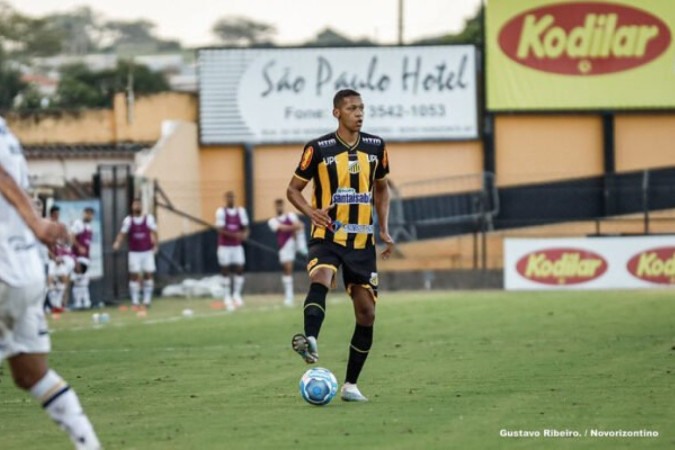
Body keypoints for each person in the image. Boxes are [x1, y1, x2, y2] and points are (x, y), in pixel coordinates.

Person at [286, 89, 395, 402]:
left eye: (361, 108)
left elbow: (382, 188)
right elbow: (293, 190)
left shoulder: (376, 146)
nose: (359, 113)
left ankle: (350, 385)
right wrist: (311, 212)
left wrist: (384, 228)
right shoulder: (318, 149)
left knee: (367, 313)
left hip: (361, 242)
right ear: (337, 113)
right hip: (328, 235)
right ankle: (310, 339)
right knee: (321, 277)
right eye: (351, 108)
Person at [0, 115, 101, 449]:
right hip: (24, 269)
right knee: (31, 373)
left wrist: (36, 224)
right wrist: (34, 225)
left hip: (4, 269)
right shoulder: (5, 130)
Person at [112, 199, 158, 308]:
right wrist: (117, 243)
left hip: (147, 251)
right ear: (132, 207)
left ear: (142, 207)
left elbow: (155, 233)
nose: (137, 206)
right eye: (135, 204)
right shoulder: (128, 220)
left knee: (148, 274)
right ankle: (135, 301)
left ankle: (147, 301)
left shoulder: (148, 219)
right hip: (134, 253)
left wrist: (156, 245)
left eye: (139, 205)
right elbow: (122, 234)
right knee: (134, 275)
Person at [267, 198, 308, 307]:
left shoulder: (290, 215)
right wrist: (294, 228)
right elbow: (282, 228)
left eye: (280, 205)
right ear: (275, 207)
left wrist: (295, 228)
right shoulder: (272, 221)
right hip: (285, 245)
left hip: (294, 241)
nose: (279, 207)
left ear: (283, 206)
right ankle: (289, 296)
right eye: (277, 206)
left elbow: (300, 225)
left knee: (301, 229)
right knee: (287, 269)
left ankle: (302, 248)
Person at [215, 191, 249, 311]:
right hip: (224, 246)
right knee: (225, 270)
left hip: (237, 246)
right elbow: (220, 230)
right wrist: (234, 235)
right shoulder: (221, 212)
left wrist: (244, 235)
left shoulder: (241, 211)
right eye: (228, 197)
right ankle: (227, 295)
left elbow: (245, 228)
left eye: (232, 197)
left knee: (239, 268)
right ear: (225, 199)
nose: (231, 199)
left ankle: (237, 294)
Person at [46, 205, 75, 313]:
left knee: (63, 279)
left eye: (58, 214)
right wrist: (53, 258)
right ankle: (51, 305)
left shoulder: (61, 226)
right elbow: (45, 246)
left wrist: (68, 236)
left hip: (60, 258)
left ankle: (58, 305)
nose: (57, 216)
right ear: (52, 214)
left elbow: (67, 242)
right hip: (49, 259)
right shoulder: (46, 226)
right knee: (50, 280)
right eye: (56, 214)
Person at [70, 207, 95, 309]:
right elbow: (71, 236)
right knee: (78, 279)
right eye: (87, 214)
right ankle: (79, 302)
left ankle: (85, 302)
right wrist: (78, 246)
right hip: (78, 255)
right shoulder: (78, 224)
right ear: (83, 214)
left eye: (90, 214)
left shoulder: (90, 227)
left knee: (84, 279)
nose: (88, 216)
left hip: (86, 256)